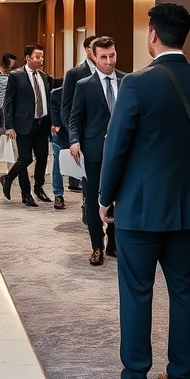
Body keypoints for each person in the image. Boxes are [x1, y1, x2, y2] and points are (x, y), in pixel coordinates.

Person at [91, 4, 190, 379]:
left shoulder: (136, 84)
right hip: (188, 209)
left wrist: (104, 198)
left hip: (139, 209)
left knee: (137, 294)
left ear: (153, 35)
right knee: (183, 292)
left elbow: (115, 150)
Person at [68, 36, 125, 265]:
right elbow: (74, 119)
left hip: (122, 153)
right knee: (93, 201)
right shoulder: (84, 86)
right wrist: (74, 141)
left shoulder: (127, 81)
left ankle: (113, 244)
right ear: (93, 56)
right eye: (103, 57)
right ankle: (96, 247)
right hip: (93, 152)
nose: (109, 61)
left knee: (119, 200)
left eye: (112, 55)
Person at [0, 45, 52, 207]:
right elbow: (8, 102)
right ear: (27, 58)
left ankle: (38, 188)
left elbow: (48, 101)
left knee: (42, 156)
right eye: (37, 57)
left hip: (42, 123)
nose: (41, 60)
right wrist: (9, 126)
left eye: (42, 57)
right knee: (25, 158)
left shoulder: (44, 77)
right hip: (23, 124)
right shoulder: (16, 76)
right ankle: (25, 193)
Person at [60, 35, 98, 192]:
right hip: (81, 129)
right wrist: (73, 134)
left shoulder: (114, 74)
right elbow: (66, 106)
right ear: (88, 50)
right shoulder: (75, 74)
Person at [48, 86, 67, 210]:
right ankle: (58, 194)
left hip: (82, 133)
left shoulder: (86, 90)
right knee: (58, 162)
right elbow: (54, 114)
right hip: (61, 132)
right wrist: (57, 127)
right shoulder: (57, 93)